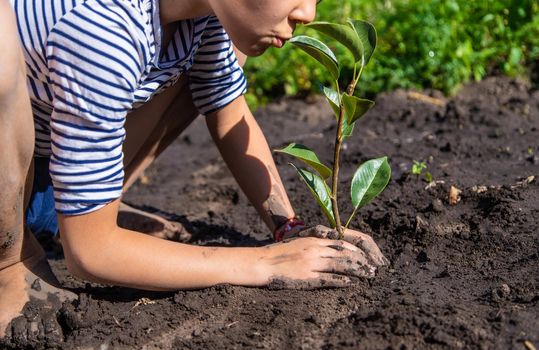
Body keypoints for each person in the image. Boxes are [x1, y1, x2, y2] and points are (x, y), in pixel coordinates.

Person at [0, 0, 389, 338]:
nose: (307, 14)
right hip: (11, 200)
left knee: (224, 55)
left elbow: (228, 112)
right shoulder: (102, 28)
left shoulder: (199, 14)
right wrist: (264, 262)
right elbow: (90, 256)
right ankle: (13, 263)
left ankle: (95, 209)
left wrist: (288, 229)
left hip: (49, 175)